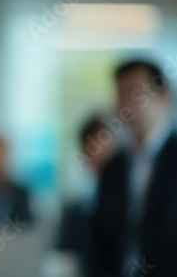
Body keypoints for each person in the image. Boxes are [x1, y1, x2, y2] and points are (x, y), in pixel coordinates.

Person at [88, 60, 177, 277]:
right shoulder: (113, 167)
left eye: (135, 92)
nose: (126, 102)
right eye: (120, 93)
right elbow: (100, 239)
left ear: (163, 96)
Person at [57, 115, 116, 275]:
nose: (98, 152)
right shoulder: (77, 208)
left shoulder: (129, 200)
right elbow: (65, 253)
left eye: (103, 143)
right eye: (91, 147)